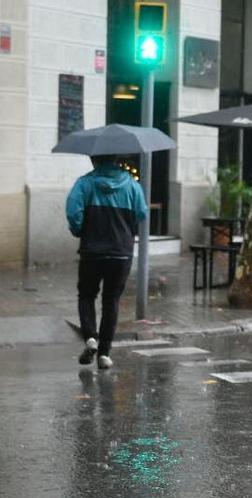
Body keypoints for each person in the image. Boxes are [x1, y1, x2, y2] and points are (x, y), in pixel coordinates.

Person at [64, 155, 147, 370]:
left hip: (92, 251)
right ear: (117, 160)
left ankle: (91, 337)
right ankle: (104, 354)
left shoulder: (84, 183)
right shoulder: (131, 185)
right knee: (111, 300)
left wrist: (80, 230)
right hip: (121, 253)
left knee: (87, 295)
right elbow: (142, 213)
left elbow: (73, 213)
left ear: (94, 160)